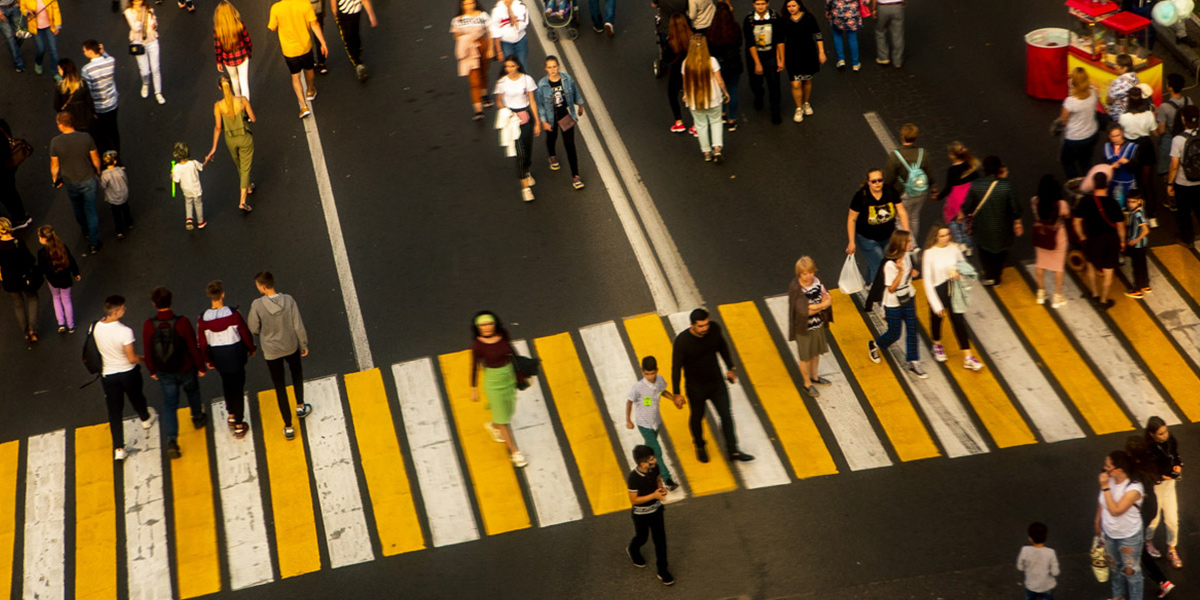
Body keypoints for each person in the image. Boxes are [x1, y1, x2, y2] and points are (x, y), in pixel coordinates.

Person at [671, 307, 755, 463]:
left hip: (716, 383)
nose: (705, 328)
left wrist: (730, 368)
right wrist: (676, 393)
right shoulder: (682, 341)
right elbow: (676, 367)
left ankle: (733, 450)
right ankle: (699, 445)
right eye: (700, 326)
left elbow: (723, 347)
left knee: (726, 415)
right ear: (692, 325)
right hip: (695, 387)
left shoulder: (714, 329)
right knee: (697, 417)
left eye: (706, 324)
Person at [142, 287, 207, 460]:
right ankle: (197, 417)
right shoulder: (182, 322)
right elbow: (192, 346)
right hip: (185, 368)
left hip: (164, 372)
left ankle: (172, 440)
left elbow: (148, 350)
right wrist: (201, 366)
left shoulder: (149, 325)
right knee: (193, 391)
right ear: (171, 301)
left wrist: (152, 370)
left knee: (170, 404)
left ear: (154, 304)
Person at [247, 271, 311, 440]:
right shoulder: (288, 300)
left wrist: (264, 333)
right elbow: (298, 325)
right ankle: (300, 406)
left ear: (263, 287)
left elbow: (253, 328)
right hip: (290, 346)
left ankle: (288, 426)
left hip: (271, 351)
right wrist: (303, 344)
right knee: (296, 374)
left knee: (279, 386)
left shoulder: (257, 305)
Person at [94, 295, 157, 462]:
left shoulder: (96, 327)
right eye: (122, 308)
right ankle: (145, 419)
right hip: (128, 373)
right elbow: (131, 358)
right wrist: (144, 359)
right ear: (115, 312)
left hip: (108, 375)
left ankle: (119, 448)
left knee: (114, 411)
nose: (125, 309)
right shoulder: (125, 331)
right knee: (136, 397)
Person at [197, 280, 257, 439]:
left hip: (218, 357)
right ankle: (239, 424)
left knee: (227, 384)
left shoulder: (203, 319)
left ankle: (231, 414)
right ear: (222, 294)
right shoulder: (233, 314)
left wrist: (208, 360)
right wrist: (252, 348)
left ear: (209, 297)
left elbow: (202, 342)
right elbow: (244, 333)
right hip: (235, 355)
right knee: (237, 389)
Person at [468, 311, 527, 467]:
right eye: (482, 325)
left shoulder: (502, 336)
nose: (487, 327)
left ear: (495, 324)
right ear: (478, 327)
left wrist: (521, 371)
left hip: (509, 378)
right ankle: (515, 452)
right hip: (493, 383)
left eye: (489, 324)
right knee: (503, 421)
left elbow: (512, 352)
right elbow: (474, 366)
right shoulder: (478, 346)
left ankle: (493, 426)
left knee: (508, 412)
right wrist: (474, 388)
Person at [867, 230, 926, 378]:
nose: (911, 244)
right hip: (893, 303)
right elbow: (891, 288)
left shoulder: (906, 255)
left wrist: (910, 272)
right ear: (901, 243)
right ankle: (875, 344)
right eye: (908, 241)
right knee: (895, 333)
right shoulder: (889, 264)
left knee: (912, 328)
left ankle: (914, 361)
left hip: (908, 296)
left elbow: (907, 270)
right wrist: (900, 272)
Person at [922, 224, 981, 370]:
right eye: (942, 235)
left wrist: (958, 273)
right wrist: (936, 304)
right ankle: (937, 344)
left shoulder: (954, 248)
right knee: (937, 319)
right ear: (935, 237)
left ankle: (968, 356)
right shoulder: (929, 253)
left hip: (953, 288)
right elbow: (927, 281)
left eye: (947, 234)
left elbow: (963, 265)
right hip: (938, 289)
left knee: (959, 321)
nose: (946, 238)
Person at [959, 156, 1022, 286]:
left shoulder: (976, 185)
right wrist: (1017, 222)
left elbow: (968, 206)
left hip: (983, 226)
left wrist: (962, 214)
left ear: (984, 168)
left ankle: (989, 275)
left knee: (984, 252)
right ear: (999, 168)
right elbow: (1015, 208)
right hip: (1003, 227)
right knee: (1001, 252)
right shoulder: (1006, 185)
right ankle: (997, 276)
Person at [49, 111, 102, 255]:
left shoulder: (55, 142)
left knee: (78, 207)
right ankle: (94, 243)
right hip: (87, 178)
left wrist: (55, 179)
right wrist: (98, 171)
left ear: (61, 125)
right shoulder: (86, 137)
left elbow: (55, 165)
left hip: (70, 181)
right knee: (91, 210)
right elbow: (95, 158)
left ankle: (85, 230)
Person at [625, 356, 681, 491]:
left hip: (656, 422)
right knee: (656, 451)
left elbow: (662, 392)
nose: (650, 376)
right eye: (647, 374)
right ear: (642, 372)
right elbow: (629, 402)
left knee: (649, 450)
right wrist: (628, 420)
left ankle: (643, 466)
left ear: (657, 370)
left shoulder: (660, 380)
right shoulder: (638, 387)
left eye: (652, 373)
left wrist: (673, 399)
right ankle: (667, 479)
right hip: (644, 424)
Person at [1096, 450, 1145, 600]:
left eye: (1108, 466)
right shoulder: (1109, 479)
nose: (1104, 468)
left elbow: (1116, 511)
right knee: (1114, 568)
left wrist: (1105, 487)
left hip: (1129, 536)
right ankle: (1117, 596)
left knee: (1131, 571)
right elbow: (1103, 503)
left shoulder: (1134, 488)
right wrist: (1097, 520)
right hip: (1110, 533)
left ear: (1119, 470)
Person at [1073, 170, 1125, 309]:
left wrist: (1082, 236)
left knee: (1091, 265)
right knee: (1108, 272)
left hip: (1093, 239)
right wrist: (1122, 241)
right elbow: (1120, 226)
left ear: (1093, 184)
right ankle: (1103, 300)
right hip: (1111, 240)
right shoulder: (1113, 203)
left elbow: (1076, 222)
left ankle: (1095, 294)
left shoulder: (1086, 201)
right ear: (1107, 184)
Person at [205, 76, 257, 214]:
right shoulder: (242, 101)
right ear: (231, 86)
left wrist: (214, 148)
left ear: (220, 88)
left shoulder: (218, 106)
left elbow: (218, 127)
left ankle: (248, 186)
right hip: (244, 137)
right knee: (245, 167)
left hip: (230, 140)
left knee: (239, 164)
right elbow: (253, 118)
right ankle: (242, 201)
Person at [268, 0, 328, 120]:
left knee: (295, 76)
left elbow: (273, 27)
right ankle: (310, 90)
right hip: (305, 46)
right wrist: (323, 43)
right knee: (309, 69)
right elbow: (315, 24)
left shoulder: (276, 8)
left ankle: (303, 106)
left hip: (289, 50)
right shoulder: (305, 4)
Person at [846, 168, 908, 285]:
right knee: (880, 266)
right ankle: (878, 294)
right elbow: (852, 219)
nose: (877, 183)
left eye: (880, 180)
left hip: (889, 237)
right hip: (867, 239)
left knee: (876, 262)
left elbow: (902, 212)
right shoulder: (861, 196)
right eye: (874, 181)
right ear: (868, 182)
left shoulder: (890, 191)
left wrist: (906, 235)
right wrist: (851, 242)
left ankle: (869, 284)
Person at [494, 54, 540, 202]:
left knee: (527, 149)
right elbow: (499, 101)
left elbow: (532, 101)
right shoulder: (502, 82)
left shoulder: (527, 80)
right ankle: (525, 188)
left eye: (512, 66)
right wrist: (506, 112)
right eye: (507, 66)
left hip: (526, 117)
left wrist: (537, 122)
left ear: (518, 66)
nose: (509, 69)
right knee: (519, 152)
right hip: (512, 119)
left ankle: (526, 169)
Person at [536, 55, 586, 190]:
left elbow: (575, 93)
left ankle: (575, 176)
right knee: (552, 138)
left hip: (564, 115)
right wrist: (543, 121)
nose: (552, 70)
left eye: (554, 66)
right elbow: (540, 105)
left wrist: (580, 106)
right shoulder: (542, 85)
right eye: (549, 67)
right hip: (550, 116)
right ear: (546, 69)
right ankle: (552, 155)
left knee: (570, 145)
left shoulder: (567, 79)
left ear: (558, 66)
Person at [626, 445, 674, 586]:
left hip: (656, 511)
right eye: (651, 459)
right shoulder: (633, 478)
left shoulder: (655, 468)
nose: (654, 460)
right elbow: (634, 500)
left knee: (660, 541)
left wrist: (661, 489)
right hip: (641, 515)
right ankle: (633, 549)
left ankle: (662, 570)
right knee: (642, 537)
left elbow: (657, 480)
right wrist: (654, 495)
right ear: (643, 464)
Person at [787, 256, 832, 397]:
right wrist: (821, 306)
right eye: (805, 274)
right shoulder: (796, 288)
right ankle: (807, 384)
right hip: (803, 328)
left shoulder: (817, 282)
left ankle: (814, 377)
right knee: (805, 357)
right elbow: (804, 311)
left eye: (811, 272)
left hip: (817, 324)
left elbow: (827, 298)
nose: (809, 276)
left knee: (816, 352)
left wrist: (814, 307)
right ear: (799, 274)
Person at [884, 123, 936, 242]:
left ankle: (909, 245)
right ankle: (914, 241)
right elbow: (929, 173)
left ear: (902, 136)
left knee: (901, 220)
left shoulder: (895, 156)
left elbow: (889, 178)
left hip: (903, 193)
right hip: (920, 191)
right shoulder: (923, 153)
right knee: (914, 217)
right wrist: (933, 188)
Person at [1145, 416, 1183, 570]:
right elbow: (1146, 471)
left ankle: (1171, 549)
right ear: (1152, 434)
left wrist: (1178, 466)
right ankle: (1148, 542)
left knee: (1172, 519)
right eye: (1161, 434)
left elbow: (1175, 455)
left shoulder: (1170, 440)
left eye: (1166, 431)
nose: (1165, 435)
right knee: (1154, 518)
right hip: (1155, 486)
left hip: (1169, 485)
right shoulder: (1147, 449)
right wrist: (1160, 477)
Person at [682, 35, 728, 163]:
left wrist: (685, 95)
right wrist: (725, 92)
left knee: (700, 125)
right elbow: (720, 81)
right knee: (716, 121)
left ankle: (706, 151)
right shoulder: (712, 61)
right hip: (713, 98)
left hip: (694, 100)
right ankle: (717, 148)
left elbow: (685, 83)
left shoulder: (686, 63)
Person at [778, 0, 823, 123]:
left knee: (807, 80)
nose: (791, 8)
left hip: (808, 53)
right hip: (792, 55)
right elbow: (780, 40)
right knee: (795, 84)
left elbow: (818, 34)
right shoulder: (784, 20)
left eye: (793, 6)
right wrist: (781, 59)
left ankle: (805, 102)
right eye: (788, 6)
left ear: (799, 5)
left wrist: (821, 52)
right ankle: (798, 108)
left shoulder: (808, 17)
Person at [1031, 174, 1070, 309]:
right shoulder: (1061, 204)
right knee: (1058, 267)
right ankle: (1057, 296)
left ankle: (1040, 293)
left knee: (1040, 263)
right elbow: (1067, 214)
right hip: (1057, 237)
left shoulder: (1035, 201)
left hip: (1041, 235)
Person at [0, 217, 40, 343]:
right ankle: (33, 329)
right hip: (24, 276)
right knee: (32, 298)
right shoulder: (18, 242)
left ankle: (25, 331)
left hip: (8, 279)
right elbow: (30, 259)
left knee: (18, 304)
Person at [1120, 86, 1157, 221]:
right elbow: (1155, 132)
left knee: (1133, 181)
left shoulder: (1124, 117)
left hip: (1130, 148)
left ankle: (1133, 213)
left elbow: (1121, 134)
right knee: (1147, 183)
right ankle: (1152, 216)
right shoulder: (1149, 115)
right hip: (1146, 147)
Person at [451, 0, 492, 121]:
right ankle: (478, 110)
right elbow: (456, 35)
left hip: (482, 45)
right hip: (469, 49)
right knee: (474, 80)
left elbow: (489, 32)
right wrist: (467, 38)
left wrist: (491, 49)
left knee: (483, 71)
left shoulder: (482, 15)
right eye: (466, 4)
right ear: (462, 5)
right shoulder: (457, 20)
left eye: (471, 3)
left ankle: (484, 94)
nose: (469, 6)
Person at [744, 0, 782, 125]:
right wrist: (757, 63)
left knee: (774, 85)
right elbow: (750, 42)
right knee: (755, 82)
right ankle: (759, 95)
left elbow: (779, 39)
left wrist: (780, 59)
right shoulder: (749, 19)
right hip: (755, 56)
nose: (760, 7)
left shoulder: (775, 17)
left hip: (771, 55)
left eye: (762, 4)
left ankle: (775, 112)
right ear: (753, 5)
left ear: (767, 4)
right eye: (757, 4)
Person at [1167, 104, 1200, 246]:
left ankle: (1188, 238)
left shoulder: (1178, 140)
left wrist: (1169, 184)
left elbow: (1174, 165)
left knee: (1184, 212)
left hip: (1183, 183)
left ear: (1183, 119)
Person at [34, 225, 77, 334]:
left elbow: (41, 269)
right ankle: (71, 325)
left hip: (52, 280)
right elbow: (71, 260)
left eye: (39, 237)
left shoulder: (41, 252)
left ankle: (61, 324)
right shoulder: (62, 247)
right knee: (66, 300)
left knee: (56, 298)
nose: (39, 239)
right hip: (65, 279)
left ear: (44, 239)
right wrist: (76, 272)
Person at [706, 3, 742, 131]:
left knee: (720, 89)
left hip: (718, 65)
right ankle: (732, 119)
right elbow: (739, 43)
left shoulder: (711, 31)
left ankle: (722, 114)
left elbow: (709, 49)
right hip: (734, 63)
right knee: (732, 90)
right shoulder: (735, 28)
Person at [937, 141, 979, 251]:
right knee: (966, 225)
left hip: (955, 203)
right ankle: (968, 246)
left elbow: (948, 189)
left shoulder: (952, 170)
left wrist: (938, 197)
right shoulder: (971, 166)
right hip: (968, 202)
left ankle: (960, 244)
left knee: (954, 224)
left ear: (952, 156)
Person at [81, 40, 120, 155]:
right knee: (113, 130)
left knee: (102, 133)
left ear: (90, 51)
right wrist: (104, 52)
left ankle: (106, 155)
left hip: (99, 107)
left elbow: (88, 90)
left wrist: (91, 110)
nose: (84, 53)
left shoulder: (87, 70)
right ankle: (117, 153)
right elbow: (109, 57)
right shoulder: (110, 61)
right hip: (112, 103)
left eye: (85, 51)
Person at [1059, 67, 1099, 179]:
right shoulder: (1093, 92)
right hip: (1091, 133)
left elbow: (1063, 120)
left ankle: (1075, 184)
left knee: (1067, 161)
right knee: (1086, 161)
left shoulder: (1070, 102)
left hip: (1075, 138)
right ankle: (1088, 183)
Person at [1155, 73, 1190, 197]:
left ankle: (1170, 193)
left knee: (1168, 167)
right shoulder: (1188, 100)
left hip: (1170, 139)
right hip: (1186, 137)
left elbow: (1161, 130)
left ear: (1170, 87)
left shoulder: (1164, 107)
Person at [124, 0, 164, 104]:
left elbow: (155, 25)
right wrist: (139, 16)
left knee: (156, 69)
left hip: (152, 40)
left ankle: (158, 92)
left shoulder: (149, 9)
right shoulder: (129, 12)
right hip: (138, 42)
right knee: (145, 71)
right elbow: (136, 28)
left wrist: (153, 24)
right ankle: (145, 84)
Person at [213, 1, 254, 101]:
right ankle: (246, 104)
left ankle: (237, 100)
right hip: (242, 56)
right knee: (244, 81)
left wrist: (219, 61)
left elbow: (218, 47)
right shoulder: (239, 25)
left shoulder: (217, 29)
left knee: (234, 79)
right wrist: (249, 52)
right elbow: (247, 40)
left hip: (228, 60)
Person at [331, 0, 377, 82]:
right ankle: (358, 51)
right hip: (356, 12)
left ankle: (357, 63)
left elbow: (333, 3)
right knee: (355, 33)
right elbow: (365, 1)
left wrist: (335, 15)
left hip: (344, 14)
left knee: (348, 39)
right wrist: (371, 15)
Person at [0, 118, 31, 229]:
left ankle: (19, 218)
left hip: (3, 169)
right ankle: (21, 216)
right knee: (10, 192)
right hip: (10, 165)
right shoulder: (2, 123)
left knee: (7, 194)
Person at [1016, 522, 1058, 600]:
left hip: (1031, 586)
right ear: (1046, 536)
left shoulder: (1025, 550)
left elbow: (1020, 567)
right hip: (1046, 586)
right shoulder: (1050, 552)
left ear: (1030, 538)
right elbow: (1055, 572)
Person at [171, 142, 207, 231]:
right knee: (198, 204)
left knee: (188, 203)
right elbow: (202, 167)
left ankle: (189, 219)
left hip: (186, 190)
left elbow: (176, 180)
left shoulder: (176, 168)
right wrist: (207, 160)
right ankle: (200, 222)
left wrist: (172, 176)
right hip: (196, 189)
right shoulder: (193, 163)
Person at [54, 59, 95, 136]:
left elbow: (57, 107)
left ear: (63, 71)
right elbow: (90, 103)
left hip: (69, 121)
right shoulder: (82, 84)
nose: (58, 71)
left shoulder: (60, 87)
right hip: (85, 120)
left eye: (59, 69)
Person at [19, 0, 58, 76]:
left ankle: (56, 72)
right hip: (35, 28)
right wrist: (28, 12)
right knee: (41, 48)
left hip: (50, 26)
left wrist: (57, 25)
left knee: (53, 49)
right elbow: (22, 8)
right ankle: (38, 63)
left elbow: (56, 9)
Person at [99, 151, 130, 239]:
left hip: (113, 197)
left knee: (116, 215)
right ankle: (129, 222)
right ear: (115, 161)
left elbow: (103, 186)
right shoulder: (120, 171)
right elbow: (125, 180)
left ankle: (119, 231)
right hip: (123, 193)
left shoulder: (104, 175)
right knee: (125, 208)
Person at [1104, 124, 1137, 208]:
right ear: (1109, 136)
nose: (1115, 138)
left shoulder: (1132, 147)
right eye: (1113, 136)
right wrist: (1111, 166)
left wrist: (1128, 162)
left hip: (1127, 182)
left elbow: (1137, 166)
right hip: (1112, 182)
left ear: (1122, 133)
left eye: (1117, 135)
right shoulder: (1106, 147)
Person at [1124, 194, 1150, 298]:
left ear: (1139, 201)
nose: (1130, 204)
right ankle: (1145, 285)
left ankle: (1137, 289)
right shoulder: (1140, 211)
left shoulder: (1137, 214)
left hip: (1137, 245)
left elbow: (1146, 230)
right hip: (1142, 244)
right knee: (1142, 265)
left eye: (1133, 202)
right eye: (1129, 202)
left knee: (1137, 267)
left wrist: (1135, 240)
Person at [490, 0, 528, 70]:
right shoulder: (497, 9)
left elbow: (520, 26)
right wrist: (499, 51)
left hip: (520, 41)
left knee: (522, 65)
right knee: (510, 66)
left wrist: (509, 10)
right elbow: (495, 31)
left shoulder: (521, 6)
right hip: (506, 43)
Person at [823, 0, 861, 71]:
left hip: (837, 12)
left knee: (837, 34)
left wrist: (828, 9)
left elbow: (829, 1)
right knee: (852, 38)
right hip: (852, 13)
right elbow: (865, 1)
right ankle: (855, 64)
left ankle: (841, 60)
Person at [1106, 54, 1140, 123]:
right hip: (1132, 114)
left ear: (1125, 68)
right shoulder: (1134, 76)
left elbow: (1109, 101)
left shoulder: (1119, 81)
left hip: (1119, 117)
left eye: (1117, 64)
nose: (1114, 66)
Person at [872, 0, 903, 68]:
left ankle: (883, 57)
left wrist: (873, 9)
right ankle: (897, 61)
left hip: (882, 7)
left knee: (880, 31)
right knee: (897, 34)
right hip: (897, 6)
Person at [0, 0, 27, 73]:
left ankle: (13, 48)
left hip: (14, 6)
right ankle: (18, 62)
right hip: (1, 9)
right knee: (9, 37)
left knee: (21, 33)